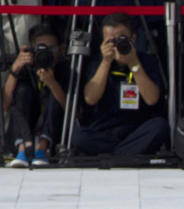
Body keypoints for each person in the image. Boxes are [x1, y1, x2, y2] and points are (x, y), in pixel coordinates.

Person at [72, 12, 168, 157]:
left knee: (160, 126)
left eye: (121, 39)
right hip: (104, 132)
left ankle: (115, 156)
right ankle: (125, 155)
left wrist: (133, 62)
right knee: (78, 136)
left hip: (135, 131)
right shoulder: (97, 62)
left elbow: (152, 99)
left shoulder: (147, 61)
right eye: (111, 41)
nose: (117, 45)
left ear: (133, 38)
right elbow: (90, 99)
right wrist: (106, 62)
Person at [3, 23, 66, 167]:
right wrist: (15, 69)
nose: (45, 54)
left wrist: (52, 83)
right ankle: (22, 150)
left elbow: (72, 111)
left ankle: (41, 149)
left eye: (51, 49)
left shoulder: (65, 70)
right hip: (23, 133)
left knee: (54, 94)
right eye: (40, 49)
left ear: (61, 50)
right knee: (22, 91)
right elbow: (4, 106)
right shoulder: (25, 69)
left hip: (52, 137)